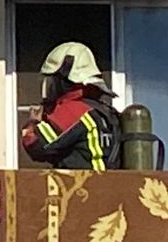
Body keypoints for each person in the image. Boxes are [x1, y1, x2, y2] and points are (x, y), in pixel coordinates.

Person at [22, 41, 121, 170]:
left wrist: (33, 122)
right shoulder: (102, 110)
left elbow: (37, 146)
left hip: (83, 182)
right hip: (106, 181)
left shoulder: (72, 109)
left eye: (52, 80)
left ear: (64, 80)